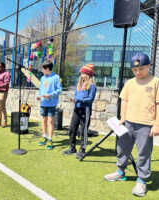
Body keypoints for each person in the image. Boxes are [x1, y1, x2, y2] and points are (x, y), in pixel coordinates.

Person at [104, 53, 159, 197]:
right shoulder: (129, 83)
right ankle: (120, 172)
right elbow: (125, 100)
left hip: (146, 124)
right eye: (135, 70)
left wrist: (157, 124)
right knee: (121, 148)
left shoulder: (155, 82)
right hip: (128, 122)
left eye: (141, 69)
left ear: (149, 66)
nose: (138, 72)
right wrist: (123, 118)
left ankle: (141, 180)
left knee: (143, 154)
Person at [63, 63, 96, 159]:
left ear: (88, 75)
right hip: (76, 109)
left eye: (84, 74)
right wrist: (74, 99)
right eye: (81, 74)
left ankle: (82, 149)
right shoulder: (79, 85)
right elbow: (77, 96)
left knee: (83, 130)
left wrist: (79, 100)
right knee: (72, 128)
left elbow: (91, 99)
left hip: (85, 109)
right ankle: (72, 148)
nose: (82, 76)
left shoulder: (92, 86)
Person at [37, 59, 62, 150]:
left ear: (47, 69)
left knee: (50, 121)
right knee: (44, 120)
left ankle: (50, 139)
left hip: (51, 103)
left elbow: (59, 90)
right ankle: (44, 136)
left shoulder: (56, 77)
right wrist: (39, 96)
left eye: (43, 69)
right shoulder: (43, 78)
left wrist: (50, 95)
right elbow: (40, 90)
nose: (42, 71)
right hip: (43, 103)